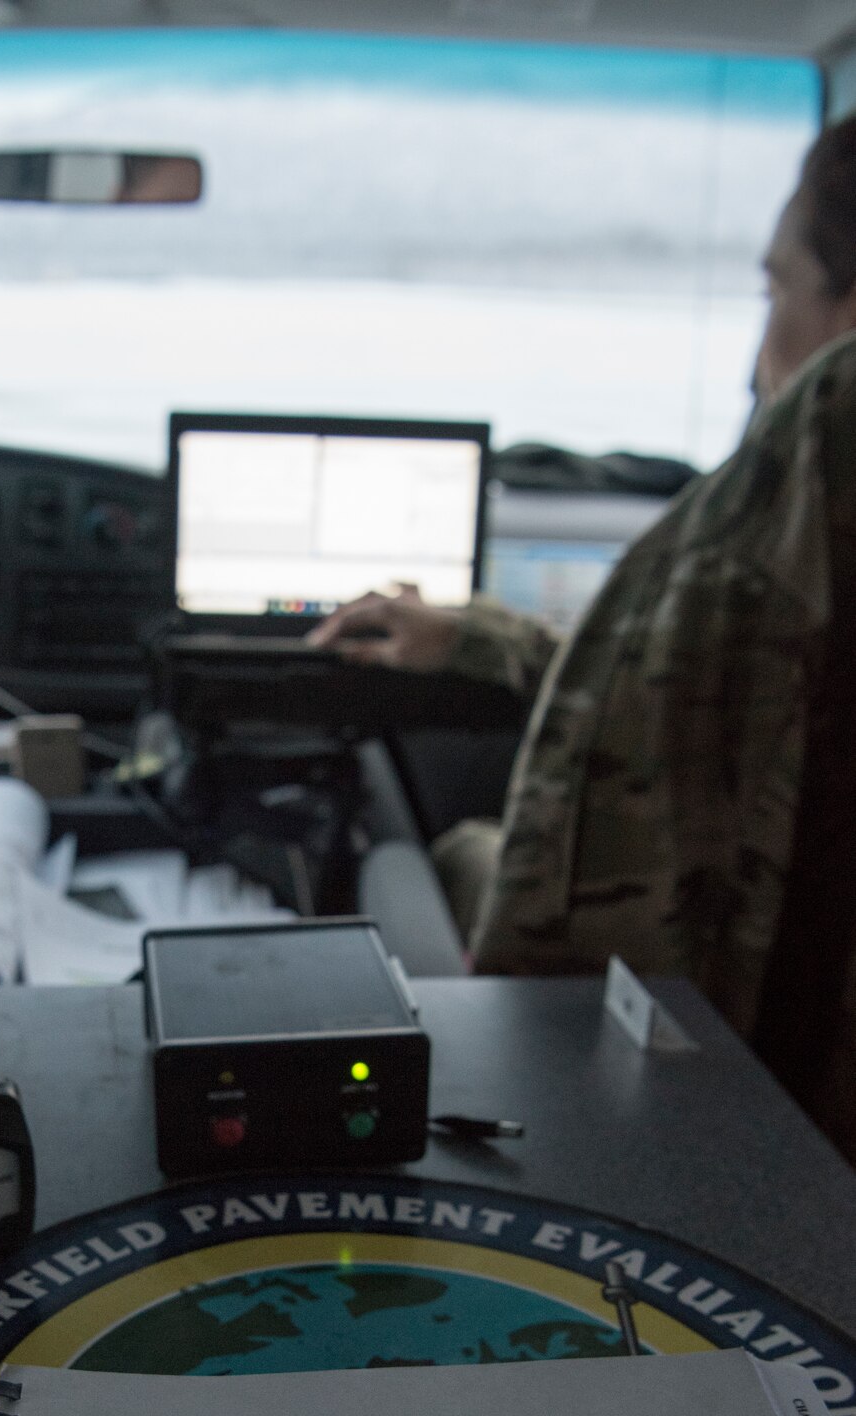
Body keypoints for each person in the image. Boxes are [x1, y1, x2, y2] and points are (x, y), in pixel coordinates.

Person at [309, 117, 856, 1162]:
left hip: (686, 1126)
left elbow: (571, 946)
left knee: (402, 855)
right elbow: (711, 698)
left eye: (775, 291)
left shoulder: (808, 460)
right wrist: (477, 638)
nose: (754, 364)